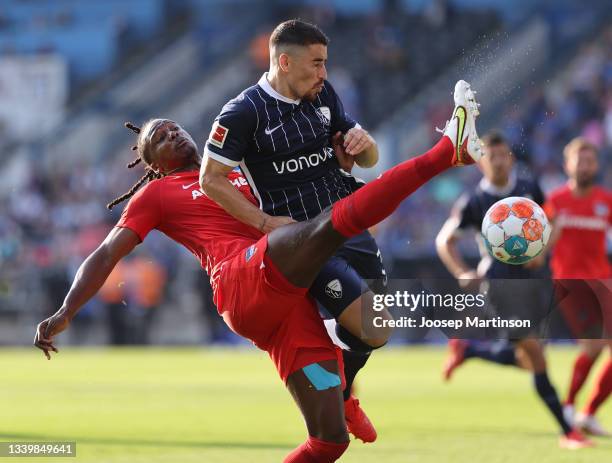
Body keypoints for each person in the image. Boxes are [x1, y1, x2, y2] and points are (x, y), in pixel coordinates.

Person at [34, 80, 481, 463]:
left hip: (283, 304)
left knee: (330, 440)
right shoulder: (156, 196)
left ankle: (343, 395)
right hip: (241, 280)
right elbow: (107, 253)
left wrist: (343, 157)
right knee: (331, 224)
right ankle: (445, 151)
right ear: (153, 164)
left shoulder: (237, 170)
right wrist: (67, 311)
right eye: (160, 138)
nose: (173, 134)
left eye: (175, 128)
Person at [200, 19, 385, 442]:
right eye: (316, 63)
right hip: (305, 240)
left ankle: (340, 396)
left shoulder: (323, 95)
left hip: (348, 224)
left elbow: (369, 158)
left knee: (370, 330)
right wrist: (264, 223)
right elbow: (211, 179)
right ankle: (332, 401)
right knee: (372, 325)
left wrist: (364, 143)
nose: (323, 73)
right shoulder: (243, 112)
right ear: (285, 61)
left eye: (325, 63)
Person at [435, 132, 592, 449]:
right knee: (534, 353)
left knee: (527, 360)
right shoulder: (473, 202)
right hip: (498, 286)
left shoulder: (528, 189)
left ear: (511, 158)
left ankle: (469, 351)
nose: (498, 160)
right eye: (491, 156)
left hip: (533, 283)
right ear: (481, 162)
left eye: (503, 154)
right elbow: (444, 241)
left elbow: (555, 222)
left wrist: (542, 251)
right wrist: (462, 272)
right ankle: (567, 431)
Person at [540, 137, 612, 436]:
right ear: (568, 165)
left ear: (596, 165)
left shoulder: (606, 202)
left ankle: (587, 413)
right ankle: (569, 408)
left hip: (602, 282)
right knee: (594, 346)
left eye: (590, 160)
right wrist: (551, 237)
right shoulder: (555, 202)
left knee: (600, 348)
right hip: (570, 283)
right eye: (579, 160)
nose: (585, 166)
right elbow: (538, 249)